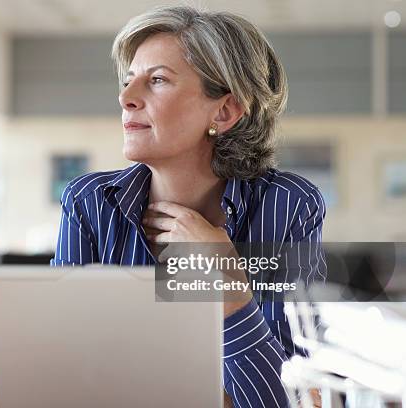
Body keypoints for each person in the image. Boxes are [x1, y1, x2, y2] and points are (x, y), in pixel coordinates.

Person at [51, 5, 326, 407]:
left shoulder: (287, 206)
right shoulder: (90, 204)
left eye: (157, 80)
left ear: (225, 111)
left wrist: (229, 285)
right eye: (128, 82)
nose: (126, 98)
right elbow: (62, 371)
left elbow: (294, 399)